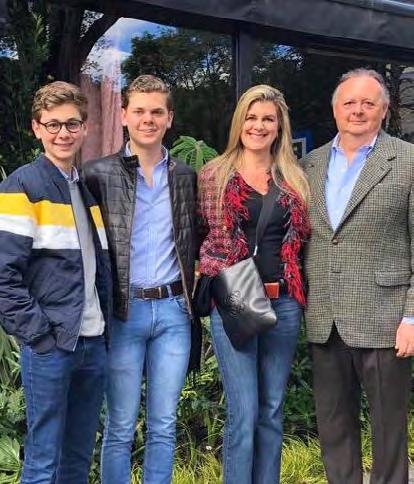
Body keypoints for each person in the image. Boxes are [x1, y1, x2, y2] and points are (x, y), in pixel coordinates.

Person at [82, 74, 200, 484]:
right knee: (120, 425)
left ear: (169, 118)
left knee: (164, 424)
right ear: (124, 116)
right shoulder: (97, 174)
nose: (148, 119)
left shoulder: (185, 176)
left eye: (156, 112)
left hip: (173, 313)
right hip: (123, 311)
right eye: (139, 111)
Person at [303, 68, 414, 483]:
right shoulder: (309, 164)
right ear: (335, 110)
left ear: (384, 111)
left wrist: (412, 317)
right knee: (333, 428)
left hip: (386, 320)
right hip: (325, 317)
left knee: (388, 430)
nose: (358, 110)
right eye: (349, 102)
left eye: (369, 103)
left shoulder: (408, 161)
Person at [197, 84, 310, 484]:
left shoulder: (295, 178)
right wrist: (210, 278)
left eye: (267, 119)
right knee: (243, 412)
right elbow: (201, 235)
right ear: (239, 122)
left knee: (272, 410)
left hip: (283, 303)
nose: (258, 126)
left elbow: (304, 242)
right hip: (236, 302)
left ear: (279, 127)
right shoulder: (214, 175)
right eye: (251, 117)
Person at [0, 81, 111, 484]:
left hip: (93, 343)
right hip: (52, 346)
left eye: (71, 124)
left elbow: (97, 270)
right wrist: (39, 336)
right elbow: (3, 275)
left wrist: (105, 333)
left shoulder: (86, 190)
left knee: (78, 459)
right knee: (43, 461)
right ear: (37, 128)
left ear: (84, 128)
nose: (63, 133)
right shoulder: (22, 185)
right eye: (53, 124)